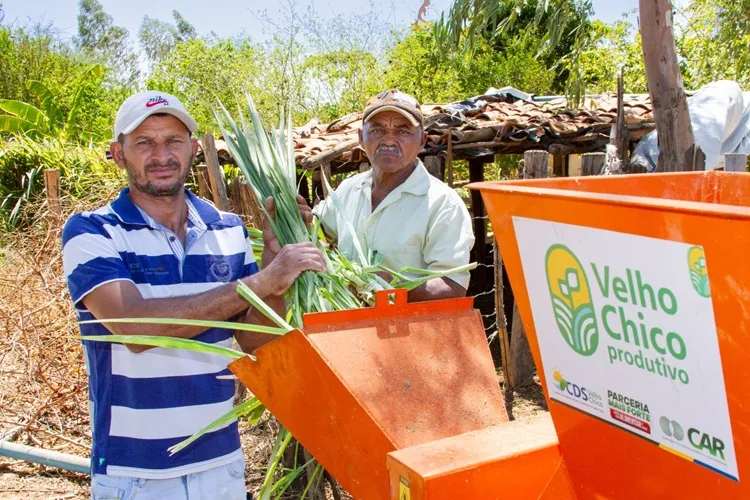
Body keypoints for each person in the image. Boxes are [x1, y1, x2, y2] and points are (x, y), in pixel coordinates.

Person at [61, 90, 325, 499]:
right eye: (144, 142)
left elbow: (257, 340)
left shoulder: (227, 229)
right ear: (117, 153)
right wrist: (256, 285)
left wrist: (275, 263)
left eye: (173, 140)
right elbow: (133, 328)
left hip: (220, 463)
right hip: (136, 471)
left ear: (194, 149)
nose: (161, 154)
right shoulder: (93, 231)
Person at [312, 89, 475, 301]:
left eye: (402, 131)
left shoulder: (443, 204)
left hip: (407, 331)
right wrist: (301, 220)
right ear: (361, 138)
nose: (388, 140)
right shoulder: (347, 190)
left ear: (422, 141)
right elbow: (319, 227)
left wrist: (391, 289)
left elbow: (452, 287)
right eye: (377, 130)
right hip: (346, 327)